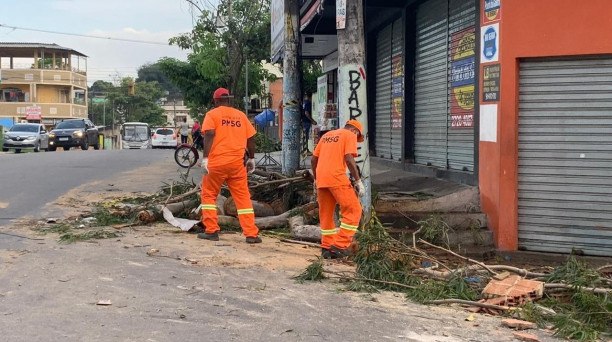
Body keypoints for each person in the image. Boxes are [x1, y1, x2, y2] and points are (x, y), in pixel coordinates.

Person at [198, 87, 261, 244]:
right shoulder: (240, 116)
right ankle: (251, 234)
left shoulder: (212, 115)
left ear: (216, 100)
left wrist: (205, 158)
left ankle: (211, 230)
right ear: (228, 100)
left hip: (217, 163)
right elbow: (251, 138)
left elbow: (210, 134)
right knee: (243, 198)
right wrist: (251, 158)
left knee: (209, 195)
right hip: (236, 164)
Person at [311, 120, 365, 259]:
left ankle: (327, 247)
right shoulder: (349, 135)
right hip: (336, 178)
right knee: (354, 210)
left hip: (322, 179)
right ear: (355, 131)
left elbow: (313, 160)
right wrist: (358, 180)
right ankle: (340, 245)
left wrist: (316, 179)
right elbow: (348, 158)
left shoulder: (327, 135)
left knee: (326, 214)